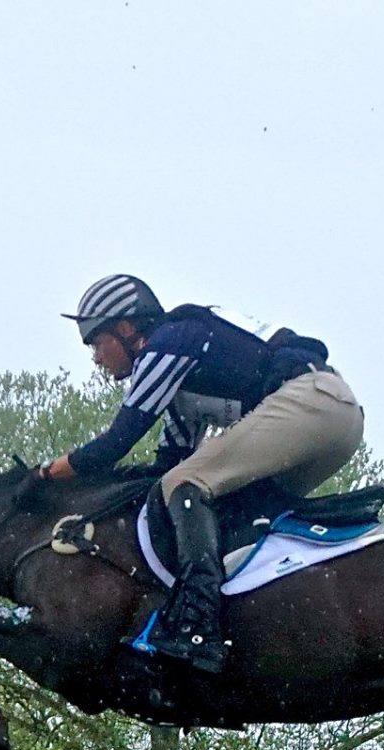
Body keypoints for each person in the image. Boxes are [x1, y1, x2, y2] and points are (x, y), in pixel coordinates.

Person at [40, 275, 364, 673]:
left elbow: (118, 442)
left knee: (185, 485)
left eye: (95, 342)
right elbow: (168, 462)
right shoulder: (180, 369)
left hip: (313, 403)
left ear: (125, 329)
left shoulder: (165, 345)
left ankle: (197, 625)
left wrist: (47, 474)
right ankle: (254, 608)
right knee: (222, 501)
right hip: (334, 419)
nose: (95, 358)